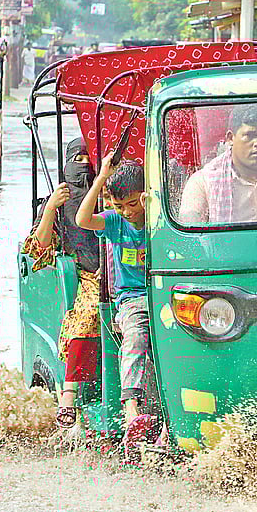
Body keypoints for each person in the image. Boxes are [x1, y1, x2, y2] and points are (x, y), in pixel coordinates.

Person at [75, 156, 156, 454]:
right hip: (132, 299)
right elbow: (83, 220)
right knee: (135, 337)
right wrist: (101, 180)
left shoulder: (160, 219)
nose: (128, 211)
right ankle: (131, 406)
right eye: (120, 205)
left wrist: (153, 204)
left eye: (133, 203)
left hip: (160, 295)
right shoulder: (115, 223)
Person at [22, 138, 101, 429]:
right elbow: (38, 249)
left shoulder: (108, 192)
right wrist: (51, 209)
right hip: (85, 276)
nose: (83, 165)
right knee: (90, 314)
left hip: (120, 270)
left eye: (88, 158)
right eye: (76, 159)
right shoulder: (57, 201)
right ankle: (69, 395)